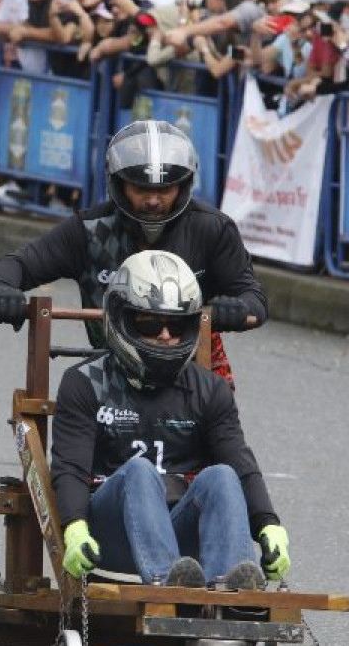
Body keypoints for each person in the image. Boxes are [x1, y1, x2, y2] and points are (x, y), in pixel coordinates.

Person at [51, 250, 291, 589]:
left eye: (176, 325)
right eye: (150, 323)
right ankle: (166, 584)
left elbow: (239, 460)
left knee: (222, 475)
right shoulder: (85, 383)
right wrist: (74, 525)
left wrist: (268, 523)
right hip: (110, 538)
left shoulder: (210, 390)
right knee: (139, 470)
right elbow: (70, 467)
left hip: (183, 552)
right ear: (121, 319)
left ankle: (234, 593)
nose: (165, 335)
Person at [0, 120, 267, 388]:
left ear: (183, 184)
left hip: (190, 378)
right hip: (111, 379)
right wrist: (1, 288)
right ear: (119, 184)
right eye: (141, 188)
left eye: (165, 189)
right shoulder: (89, 231)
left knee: (224, 436)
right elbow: (19, 263)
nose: (154, 200)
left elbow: (254, 299)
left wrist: (237, 309)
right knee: (73, 403)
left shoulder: (212, 230)